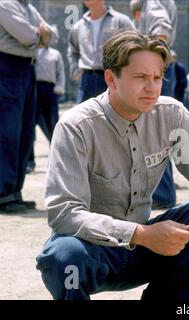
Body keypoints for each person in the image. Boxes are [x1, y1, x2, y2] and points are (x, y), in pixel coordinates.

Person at [35, 31, 189, 300]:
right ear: (111, 78)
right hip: (95, 251)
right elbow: (64, 213)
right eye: (140, 78)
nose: (152, 87)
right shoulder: (77, 126)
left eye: (157, 78)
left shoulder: (169, 114)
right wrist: (141, 234)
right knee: (63, 257)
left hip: (151, 250)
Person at [0, 0, 58, 213]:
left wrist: (40, 34)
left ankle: (14, 191)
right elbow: (29, 36)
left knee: (25, 134)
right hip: (6, 67)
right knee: (8, 133)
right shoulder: (5, 4)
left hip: (26, 69)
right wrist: (39, 33)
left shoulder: (27, 7)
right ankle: (3, 193)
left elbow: (52, 35)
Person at [139, 0, 178, 210]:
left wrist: (149, 65)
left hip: (152, 69)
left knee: (151, 130)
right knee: (158, 130)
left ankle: (162, 193)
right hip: (157, 68)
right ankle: (164, 191)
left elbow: (161, 29)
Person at [68, 0, 134, 103]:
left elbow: (135, 48)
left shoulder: (120, 21)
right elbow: (73, 52)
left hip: (113, 78)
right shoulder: (78, 27)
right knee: (83, 117)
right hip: (86, 80)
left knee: (113, 117)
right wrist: (76, 73)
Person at [27, 40, 65, 174]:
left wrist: (59, 88)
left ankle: (56, 161)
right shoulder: (30, 52)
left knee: (53, 127)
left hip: (49, 91)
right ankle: (29, 162)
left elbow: (60, 73)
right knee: (29, 128)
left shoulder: (55, 54)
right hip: (33, 90)